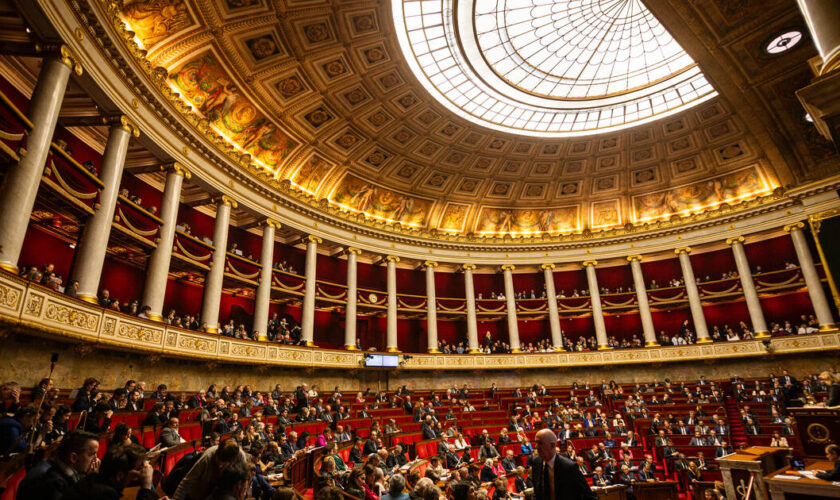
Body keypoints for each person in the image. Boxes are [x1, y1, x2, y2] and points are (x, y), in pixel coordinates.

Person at [17, 430, 100, 500]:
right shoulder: (49, 481)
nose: (96, 459)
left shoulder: (61, 470)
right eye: (92, 454)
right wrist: (90, 482)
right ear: (73, 458)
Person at [62, 443, 157, 500]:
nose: (142, 473)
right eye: (138, 469)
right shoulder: (105, 494)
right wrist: (146, 486)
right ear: (119, 475)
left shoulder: (93, 478)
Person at [531, 428, 595, 500]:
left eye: (539, 443)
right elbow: (537, 492)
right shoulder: (536, 462)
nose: (536, 446)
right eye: (536, 442)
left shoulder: (569, 467)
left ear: (552, 445)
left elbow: (588, 495)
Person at [174, 439, 249, 500]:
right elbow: (186, 482)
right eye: (218, 462)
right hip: (198, 492)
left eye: (223, 464)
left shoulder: (240, 457)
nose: (220, 466)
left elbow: (244, 478)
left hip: (221, 490)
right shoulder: (207, 457)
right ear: (216, 454)